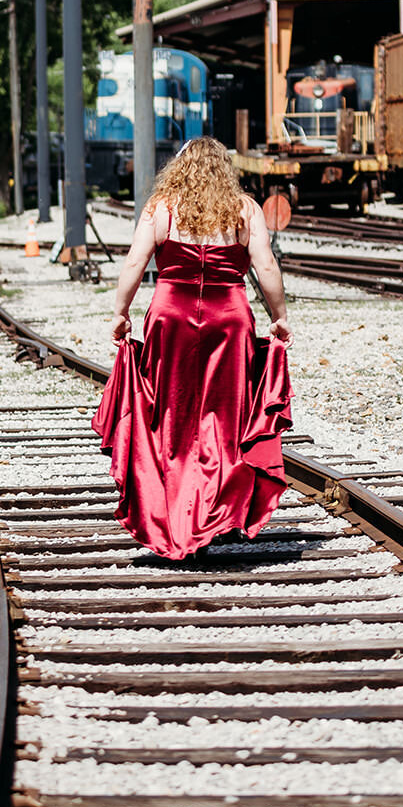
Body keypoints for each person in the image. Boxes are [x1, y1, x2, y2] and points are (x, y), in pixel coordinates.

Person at [92, 137, 293, 562]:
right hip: (229, 318)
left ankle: (174, 509)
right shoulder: (244, 209)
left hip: (171, 317)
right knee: (224, 419)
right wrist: (279, 316)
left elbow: (134, 262)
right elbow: (267, 267)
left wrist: (120, 311)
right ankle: (214, 509)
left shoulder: (161, 206)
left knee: (172, 416)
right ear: (225, 169)